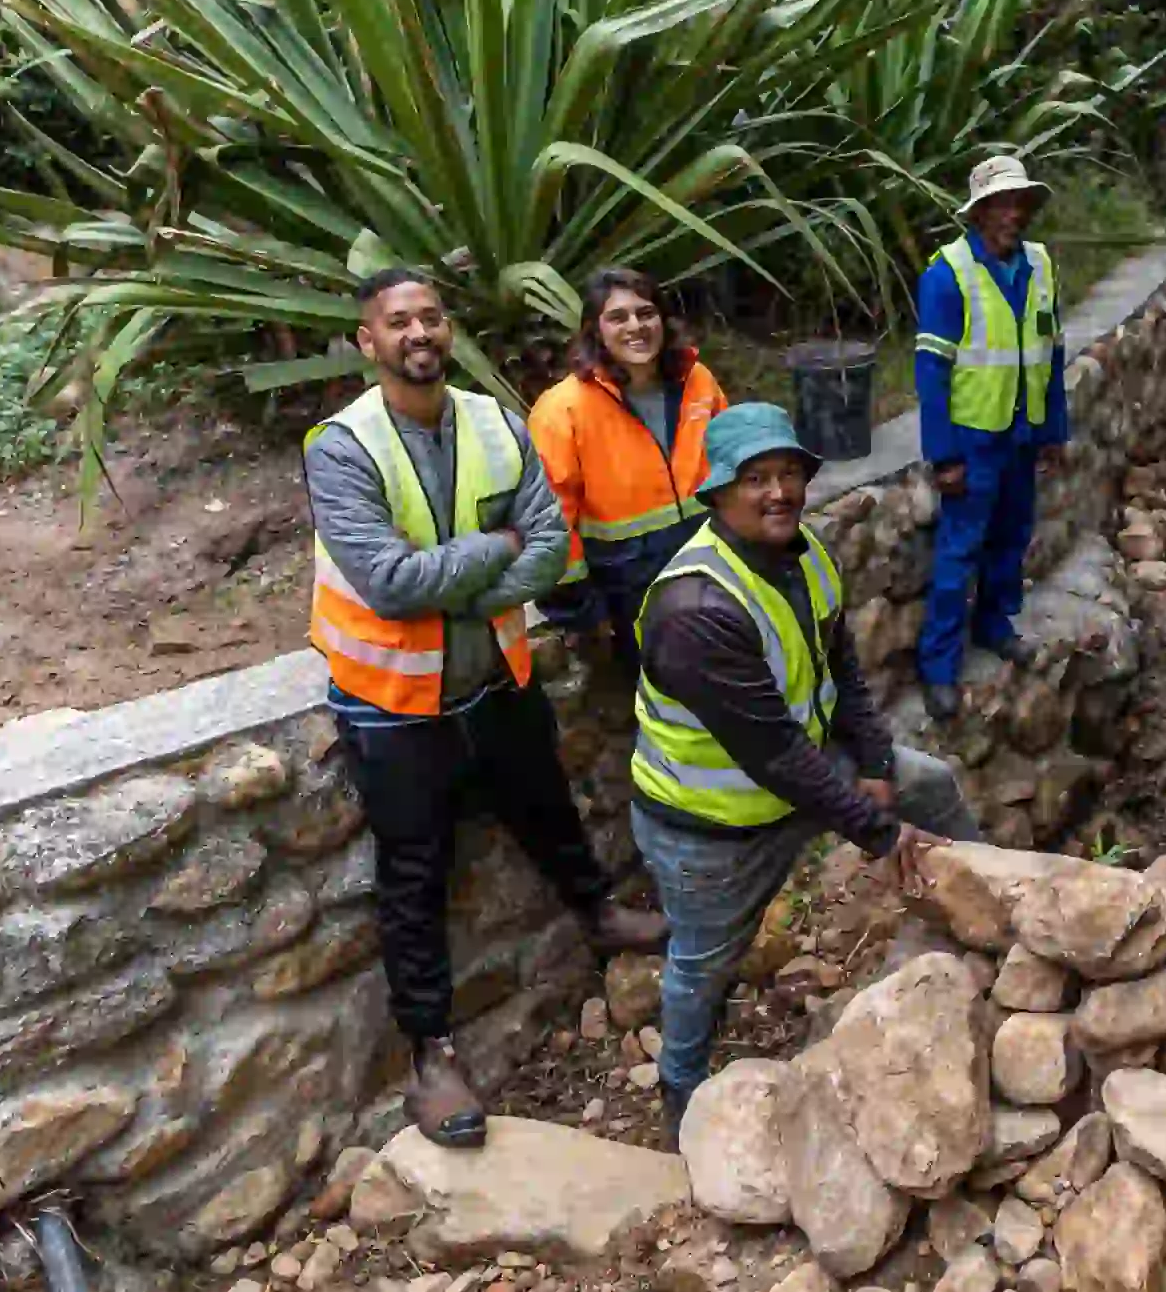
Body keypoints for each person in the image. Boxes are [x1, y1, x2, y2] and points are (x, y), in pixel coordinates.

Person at [304, 268, 667, 1150]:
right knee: (414, 877)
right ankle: (433, 1054)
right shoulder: (341, 446)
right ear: (368, 340)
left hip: (496, 676)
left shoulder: (494, 420)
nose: (418, 332)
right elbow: (387, 583)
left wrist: (467, 577)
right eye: (398, 321)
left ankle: (598, 911)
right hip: (393, 703)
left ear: (448, 327)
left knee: (546, 804)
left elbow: (549, 546)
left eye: (430, 316)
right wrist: (492, 550)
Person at [631, 402, 983, 1126]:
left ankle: (990, 908)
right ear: (717, 493)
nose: (779, 492)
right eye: (755, 477)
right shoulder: (697, 607)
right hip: (712, 823)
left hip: (803, 772)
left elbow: (842, 667)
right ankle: (681, 1094)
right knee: (703, 963)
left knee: (930, 783)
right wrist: (879, 832)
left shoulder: (805, 552)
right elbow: (773, 753)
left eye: (789, 473)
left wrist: (879, 760)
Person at [914, 154, 1069, 719]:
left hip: (1022, 431)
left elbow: (1051, 351)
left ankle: (995, 626)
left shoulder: (1041, 265)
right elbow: (930, 373)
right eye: (1000, 204)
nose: (1012, 214)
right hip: (974, 438)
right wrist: (944, 455)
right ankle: (938, 668)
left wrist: (1054, 429)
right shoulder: (947, 274)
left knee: (1012, 535)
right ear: (978, 212)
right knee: (958, 552)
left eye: (1019, 203)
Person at [528, 268, 728, 672]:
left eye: (646, 312)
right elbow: (550, 520)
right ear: (594, 330)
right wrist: (581, 611)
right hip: (631, 592)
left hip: (716, 568)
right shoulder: (561, 410)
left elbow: (733, 464)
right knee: (670, 710)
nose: (636, 326)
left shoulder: (698, 381)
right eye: (618, 317)